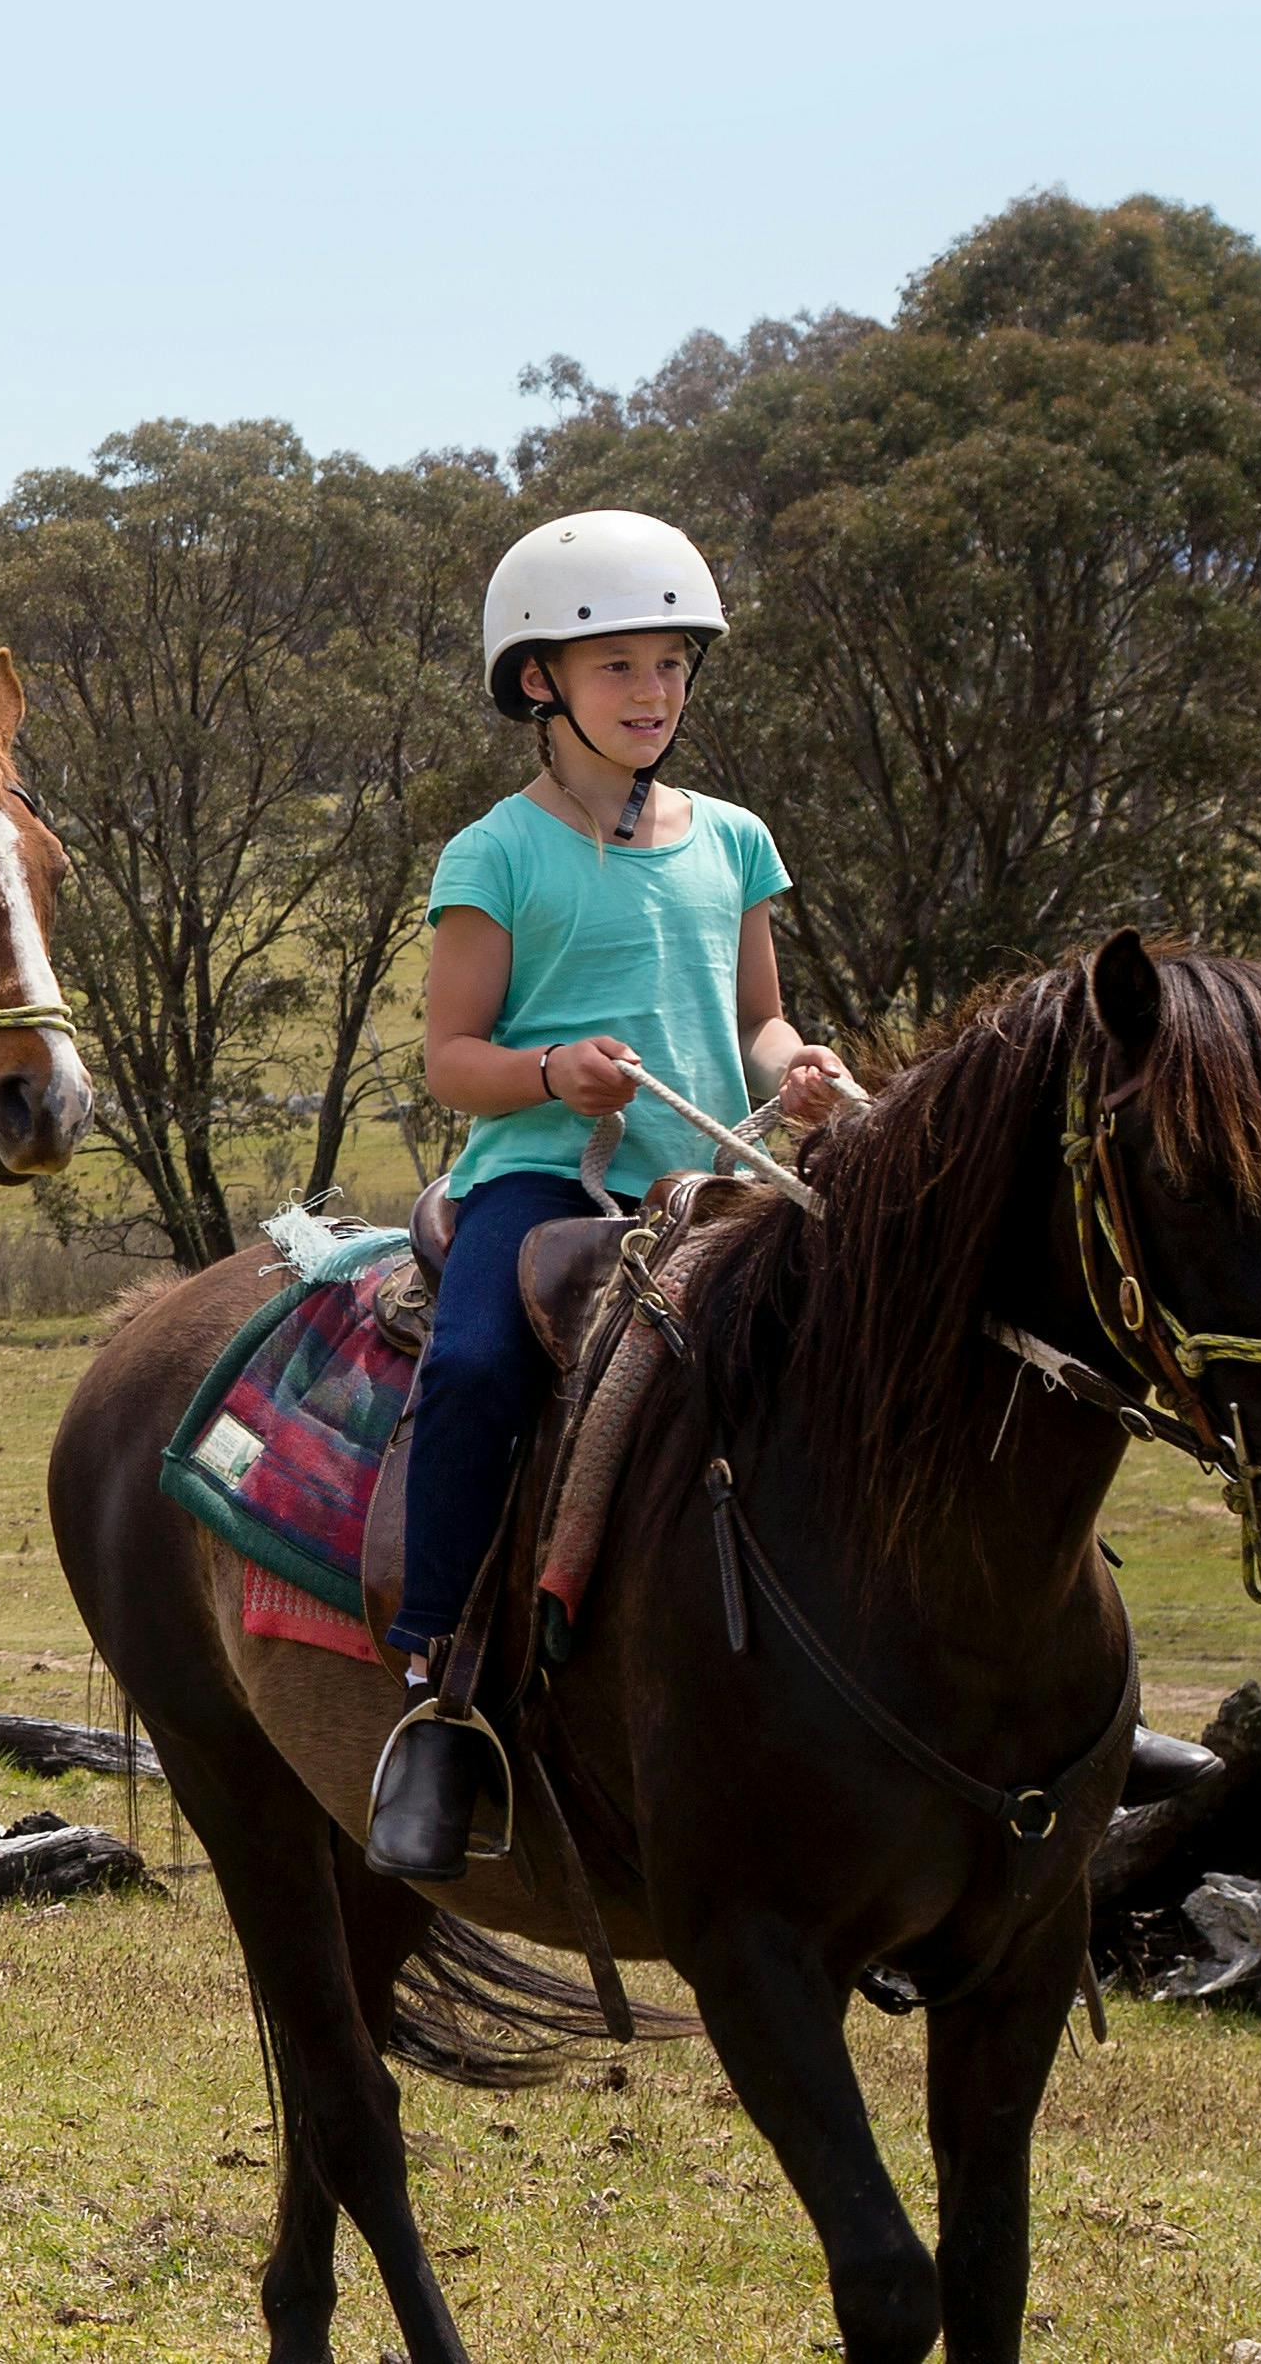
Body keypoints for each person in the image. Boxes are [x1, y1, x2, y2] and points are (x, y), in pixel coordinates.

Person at [367, 506, 848, 1882]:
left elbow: (753, 1020)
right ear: (538, 683)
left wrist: (794, 1064)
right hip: (542, 1186)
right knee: (468, 1369)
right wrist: (551, 1072)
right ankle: (438, 1697)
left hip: (718, 1182)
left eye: (669, 667)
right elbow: (450, 1060)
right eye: (617, 668)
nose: (652, 695)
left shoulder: (736, 840)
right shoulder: (492, 854)